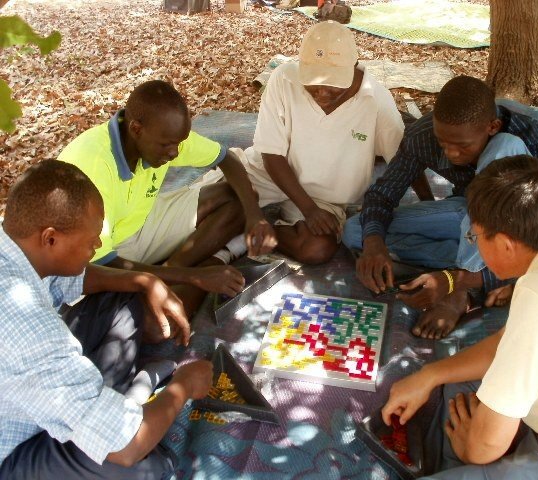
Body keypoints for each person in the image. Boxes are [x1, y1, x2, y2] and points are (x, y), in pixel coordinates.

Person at [381, 155, 538, 480]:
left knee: (469, 435)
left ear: (504, 244)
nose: (476, 248)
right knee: (455, 382)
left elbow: (484, 447)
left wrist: (468, 447)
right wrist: (430, 375)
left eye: (476, 238)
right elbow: (510, 344)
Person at [0, 161, 214, 479]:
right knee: (144, 467)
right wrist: (183, 385)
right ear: (50, 238)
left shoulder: (17, 248)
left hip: (28, 387)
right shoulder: (32, 330)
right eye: (91, 240)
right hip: (14, 450)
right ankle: (111, 416)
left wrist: (143, 280)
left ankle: (105, 413)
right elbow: (127, 450)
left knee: (123, 297)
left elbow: (72, 280)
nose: (98, 246)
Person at [343, 75, 538, 339]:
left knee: (507, 147)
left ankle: (463, 289)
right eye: (443, 143)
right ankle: (490, 272)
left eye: (462, 146)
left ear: (492, 126)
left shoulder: (534, 140)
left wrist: (458, 284)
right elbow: (383, 194)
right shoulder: (423, 135)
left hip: (512, 226)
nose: (450, 154)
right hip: (463, 213)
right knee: (356, 231)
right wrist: (374, 246)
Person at [58, 80, 277, 322]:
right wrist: (193, 277)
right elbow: (101, 262)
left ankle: (171, 269)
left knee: (239, 197)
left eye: (178, 144)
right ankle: (177, 275)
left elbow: (227, 159)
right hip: (101, 257)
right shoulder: (93, 167)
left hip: (143, 221)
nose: (174, 153)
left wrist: (255, 216)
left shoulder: (165, 135)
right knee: (160, 326)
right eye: (166, 145)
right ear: (136, 129)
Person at [234, 20, 404, 264]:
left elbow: (404, 160)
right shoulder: (284, 78)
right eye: (313, 82)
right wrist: (308, 210)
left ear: (352, 68)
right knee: (212, 204)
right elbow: (271, 154)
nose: (321, 93)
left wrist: (428, 204)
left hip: (324, 198)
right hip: (270, 176)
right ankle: (247, 223)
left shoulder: (376, 100)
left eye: (332, 85)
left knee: (316, 249)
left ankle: (257, 229)